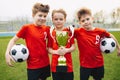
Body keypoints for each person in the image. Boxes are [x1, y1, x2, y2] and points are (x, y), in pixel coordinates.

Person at [5, 3, 51, 80]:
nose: (42, 18)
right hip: (33, 66)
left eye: (45, 16)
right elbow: (13, 40)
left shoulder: (47, 29)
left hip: (45, 64)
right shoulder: (27, 28)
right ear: (33, 15)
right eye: (40, 15)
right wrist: (7, 53)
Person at [74, 7, 120, 80]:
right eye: (83, 21)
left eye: (87, 19)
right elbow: (67, 35)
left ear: (92, 19)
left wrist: (118, 47)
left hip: (98, 63)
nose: (86, 22)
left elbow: (111, 36)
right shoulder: (78, 32)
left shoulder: (100, 31)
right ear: (80, 23)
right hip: (85, 65)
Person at [48, 9, 75, 80]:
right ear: (52, 20)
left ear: (65, 20)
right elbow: (49, 49)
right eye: (56, 19)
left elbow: (73, 47)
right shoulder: (51, 33)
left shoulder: (69, 32)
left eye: (61, 19)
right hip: (55, 66)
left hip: (68, 65)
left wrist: (66, 50)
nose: (58, 21)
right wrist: (56, 52)